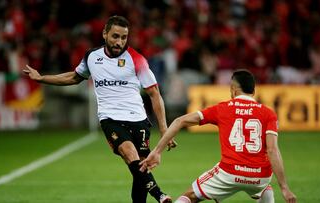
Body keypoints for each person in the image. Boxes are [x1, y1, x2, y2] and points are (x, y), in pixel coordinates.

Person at [23, 15, 177, 203]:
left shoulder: (136, 59)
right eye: (115, 36)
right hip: (110, 119)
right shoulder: (92, 57)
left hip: (139, 120)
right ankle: (160, 195)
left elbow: (154, 93)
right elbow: (74, 77)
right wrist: (42, 78)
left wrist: (163, 129)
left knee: (140, 172)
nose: (119, 41)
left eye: (123, 37)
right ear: (105, 33)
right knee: (130, 155)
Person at [140, 69, 296, 203]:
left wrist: (157, 151)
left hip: (229, 173)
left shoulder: (222, 109)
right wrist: (285, 188)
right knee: (265, 189)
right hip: (259, 177)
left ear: (233, 90)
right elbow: (272, 150)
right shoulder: (268, 114)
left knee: (190, 196)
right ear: (253, 92)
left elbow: (180, 121)